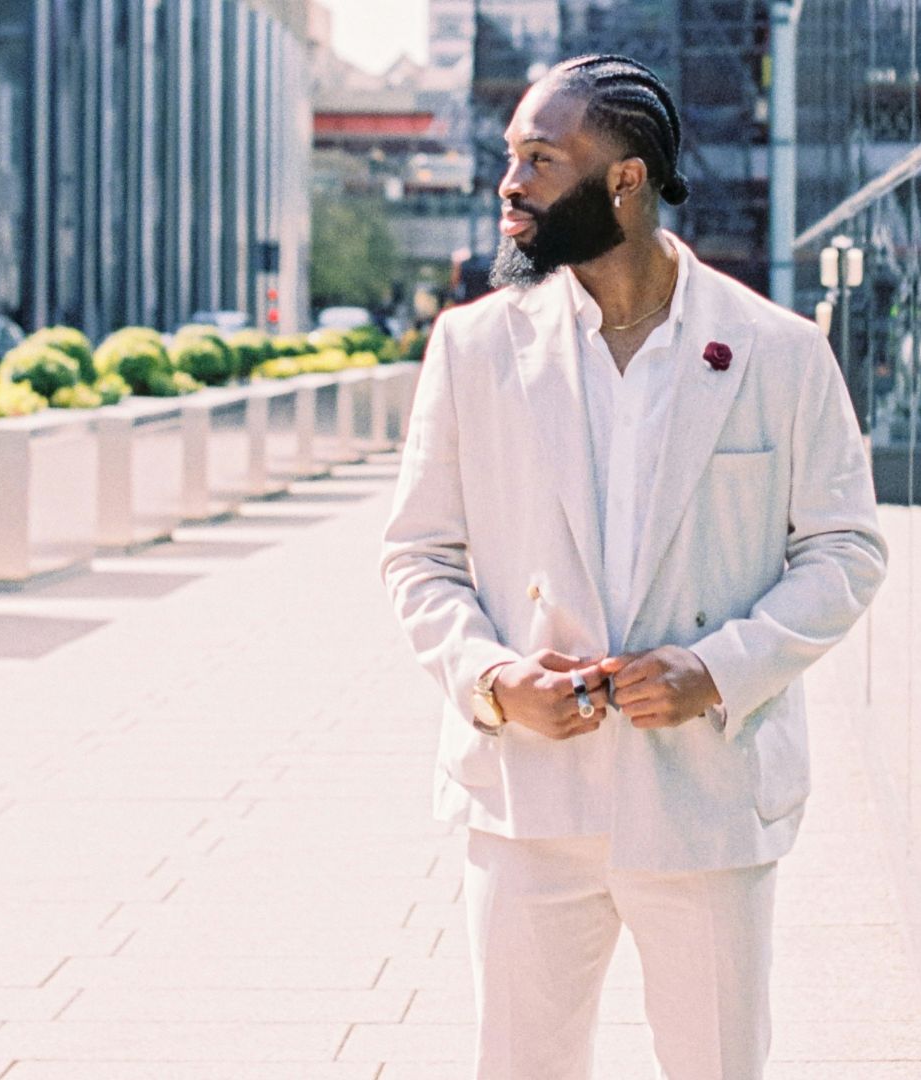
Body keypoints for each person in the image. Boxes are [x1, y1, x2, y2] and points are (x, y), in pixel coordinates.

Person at [380, 54, 887, 1080]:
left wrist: (718, 669)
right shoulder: (474, 348)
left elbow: (845, 551)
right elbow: (418, 557)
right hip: (528, 798)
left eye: (539, 158)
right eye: (509, 156)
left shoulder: (775, 352)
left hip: (704, 798)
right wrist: (489, 680)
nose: (508, 184)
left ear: (624, 182)